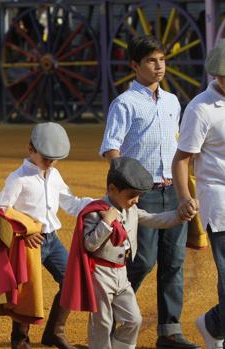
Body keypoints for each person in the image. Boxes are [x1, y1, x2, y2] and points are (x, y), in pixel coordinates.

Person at [99, 35, 198, 349]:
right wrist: (126, 187)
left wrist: (184, 192)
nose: (159, 67)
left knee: (174, 261)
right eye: (151, 61)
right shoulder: (124, 103)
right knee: (141, 260)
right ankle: (115, 320)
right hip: (141, 194)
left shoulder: (172, 101)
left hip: (172, 188)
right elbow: (111, 149)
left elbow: (180, 149)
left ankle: (169, 330)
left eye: (162, 60)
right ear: (134, 65)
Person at [62, 157, 192, 349]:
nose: (136, 200)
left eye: (138, 195)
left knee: (134, 319)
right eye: (132, 195)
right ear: (112, 189)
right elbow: (89, 244)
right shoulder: (96, 212)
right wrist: (106, 224)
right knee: (102, 323)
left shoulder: (131, 210)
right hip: (100, 274)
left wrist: (179, 216)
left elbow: (155, 219)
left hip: (122, 274)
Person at [0, 122, 92, 349]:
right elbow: (1, 210)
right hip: (27, 243)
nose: (50, 162)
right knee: (25, 291)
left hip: (52, 239)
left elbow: (71, 203)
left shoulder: (55, 174)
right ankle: (19, 342)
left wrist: (98, 204)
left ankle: (54, 333)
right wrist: (23, 232)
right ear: (31, 148)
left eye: (54, 158)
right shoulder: (17, 178)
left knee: (70, 280)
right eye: (46, 157)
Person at [172, 39, 225, 349]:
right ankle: (214, 324)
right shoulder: (200, 108)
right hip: (219, 203)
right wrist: (184, 197)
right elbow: (182, 159)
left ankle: (213, 323)